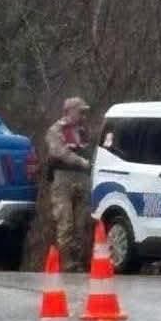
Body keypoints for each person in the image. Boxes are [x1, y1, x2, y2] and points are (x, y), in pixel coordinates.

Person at [45, 97, 92, 272]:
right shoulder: (56, 130)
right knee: (65, 221)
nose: (83, 115)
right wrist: (81, 162)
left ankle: (78, 262)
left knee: (81, 222)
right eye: (80, 111)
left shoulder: (83, 131)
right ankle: (65, 262)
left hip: (82, 179)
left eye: (84, 112)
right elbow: (59, 152)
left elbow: (89, 151)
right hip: (63, 179)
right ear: (69, 111)